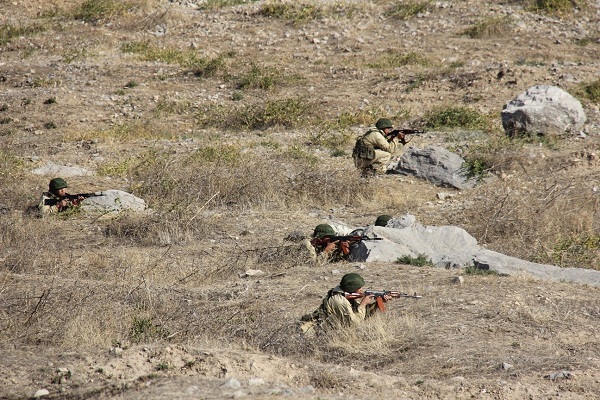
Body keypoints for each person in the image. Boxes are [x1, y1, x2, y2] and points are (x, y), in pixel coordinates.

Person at [300, 272, 392, 333]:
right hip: (312, 332)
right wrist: (363, 304)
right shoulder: (339, 300)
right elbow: (354, 323)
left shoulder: (346, 296)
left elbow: (361, 315)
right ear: (351, 288)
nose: (361, 290)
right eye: (359, 288)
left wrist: (377, 304)